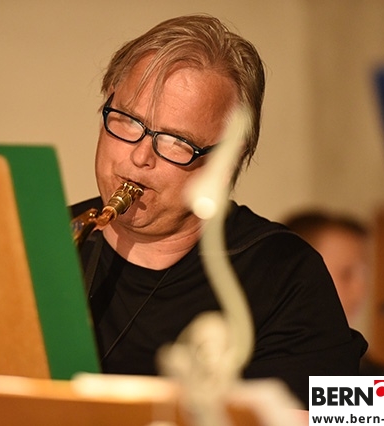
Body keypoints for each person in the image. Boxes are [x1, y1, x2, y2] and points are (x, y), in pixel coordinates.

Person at [70, 14, 367, 409]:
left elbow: (349, 411)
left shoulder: (284, 274)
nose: (140, 156)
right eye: (127, 120)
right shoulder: (40, 237)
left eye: (176, 141)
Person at [284, 210, 384, 375]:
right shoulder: (260, 366)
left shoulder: (373, 373)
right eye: (346, 274)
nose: (360, 289)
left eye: (364, 274)